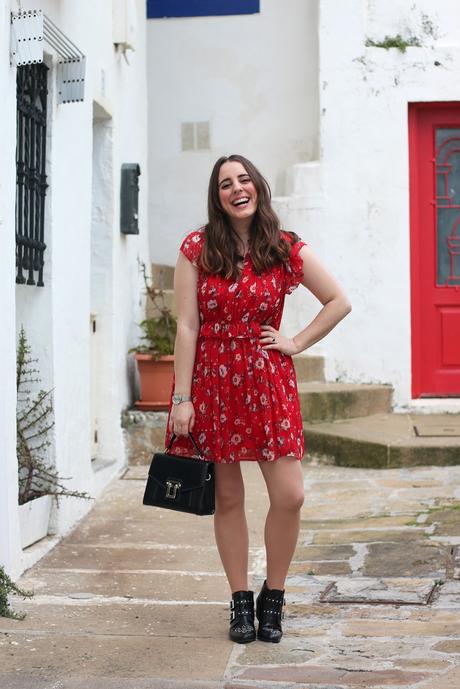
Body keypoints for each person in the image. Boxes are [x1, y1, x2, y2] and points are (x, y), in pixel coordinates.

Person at [166, 154, 351, 644]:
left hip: (268, 380)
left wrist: (295, 342)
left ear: (258, 187)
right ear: (217, 196)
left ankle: (275, 595)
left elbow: (338, 301)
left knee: (290, 495)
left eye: (244, 179)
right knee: (228, 497)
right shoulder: (197, 248)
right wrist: (181, 397)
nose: (236, 189)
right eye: (226, 184)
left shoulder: (284, 247)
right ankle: (240, 602)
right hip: (215, 382)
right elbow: (187, 326)